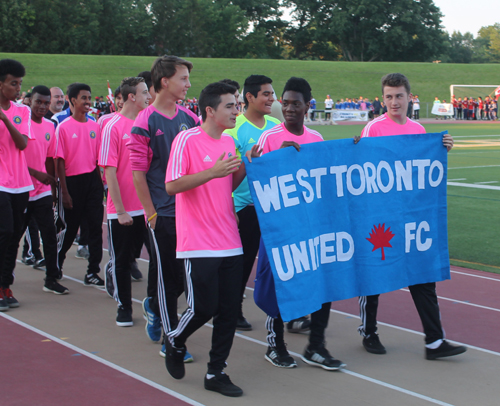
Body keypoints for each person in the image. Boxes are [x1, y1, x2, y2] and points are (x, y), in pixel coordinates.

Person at [356, 73, 467, 360]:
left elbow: (423, 172)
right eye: (389, 96)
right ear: (383, 99)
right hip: (381, 216)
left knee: (422, 274)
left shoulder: (419, 130)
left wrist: (442, 150)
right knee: (376, 273)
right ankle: (369, 331)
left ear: (409, 98)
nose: (394, 101)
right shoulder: (373, 129)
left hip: (411, 217)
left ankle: (434, 341)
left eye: (399, 96)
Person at [164, 81, 260, 397]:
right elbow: (172, 186)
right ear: (210, 110)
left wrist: (246, 163)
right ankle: (175, 339)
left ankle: (216, 372)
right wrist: (212, 172)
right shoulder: (186, 139)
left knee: (229, 310)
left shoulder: (227, 144)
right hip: (198, 241)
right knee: (202, 308)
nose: (236, 111)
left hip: (230, 239)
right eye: (230, 106)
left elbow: (226, 186)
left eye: (236, 105)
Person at [254, 77, 346, 371]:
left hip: (311, 228)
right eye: (286, 102)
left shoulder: (317, 139)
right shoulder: (269, 138)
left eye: (296, 103)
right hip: (281, 230)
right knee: (280, 286)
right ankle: (275, 345)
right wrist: (271, 160)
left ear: (308, 106)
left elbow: (325, 182)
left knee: (324, 282)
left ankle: (315, 346)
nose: (289, 108)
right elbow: (261, 187)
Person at [127, 56, 199, 356]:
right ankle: (172, 341)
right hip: (163, 214)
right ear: (165, 81)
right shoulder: (145, 121)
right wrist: (152, 214)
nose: (189, 84)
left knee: (186, 279)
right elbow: (137, 173)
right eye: (183, 78)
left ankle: (154, 306)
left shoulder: (191, 119)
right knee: (168, 278)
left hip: (190, 214)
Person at [223, 75, 281, 331]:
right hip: (244, 206)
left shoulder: (276, 125)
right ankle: (232, 308)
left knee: (279, 260)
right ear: (250, 97)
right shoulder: (234, 129)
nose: (272, 99)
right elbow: (226, 175)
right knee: (243, 261)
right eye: (266, 94)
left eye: (272, 94)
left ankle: (284, 309)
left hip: (273, 206)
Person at [99, 77, 151, 326]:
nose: (148, 97)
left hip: (146, 207)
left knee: (152, 257)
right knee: (121, 260)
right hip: (121, 209)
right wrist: (119, 210)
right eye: (144, 93)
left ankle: (154, 303)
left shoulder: (146, 124)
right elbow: (109, 171)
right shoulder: (113, 126)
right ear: (132, 97)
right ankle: (124, 306)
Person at [55, 83, 104, 286]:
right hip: (72, 182)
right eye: (83, 98)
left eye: (89, 98)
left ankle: (93, 271)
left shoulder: (94, 126)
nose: (87, 102)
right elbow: (59, 161)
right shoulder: (63, 127)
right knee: (70, 228)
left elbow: (99, 158)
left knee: (95, 228)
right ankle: (56, 263)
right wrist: (64, 192)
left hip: (92, 180)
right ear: (72, 100)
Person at [23, 85, 69, 294]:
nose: (42, 106)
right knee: (11, 236)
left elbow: (50, 159)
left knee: (49, 236)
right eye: (38, 102)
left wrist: (52, 188)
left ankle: (51, 278)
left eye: (45, 102)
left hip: (41, 191)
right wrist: (36, 174)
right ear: (29, 101)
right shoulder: (21, 125)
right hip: (20, 189)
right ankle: (4, 282)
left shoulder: (50, 126)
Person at [0, 59, 33, 310]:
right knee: (5, 233)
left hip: (21, 184)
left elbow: (22, 144)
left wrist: (4, 118)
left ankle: (6, 285)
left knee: (14, 239)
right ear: (1, 85)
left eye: (20, 83)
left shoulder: (22, 111)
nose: (18, 88)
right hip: (1, 184)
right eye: (14, 83)